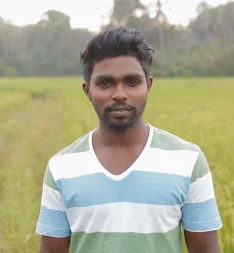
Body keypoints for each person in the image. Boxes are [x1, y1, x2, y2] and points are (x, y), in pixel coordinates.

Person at [35, 27, 223, 253]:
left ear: (148, 85)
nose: (120, 94)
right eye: (105, 83)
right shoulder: (61, 168)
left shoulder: (188, 161)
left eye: (132, 81)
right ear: (87, 91)